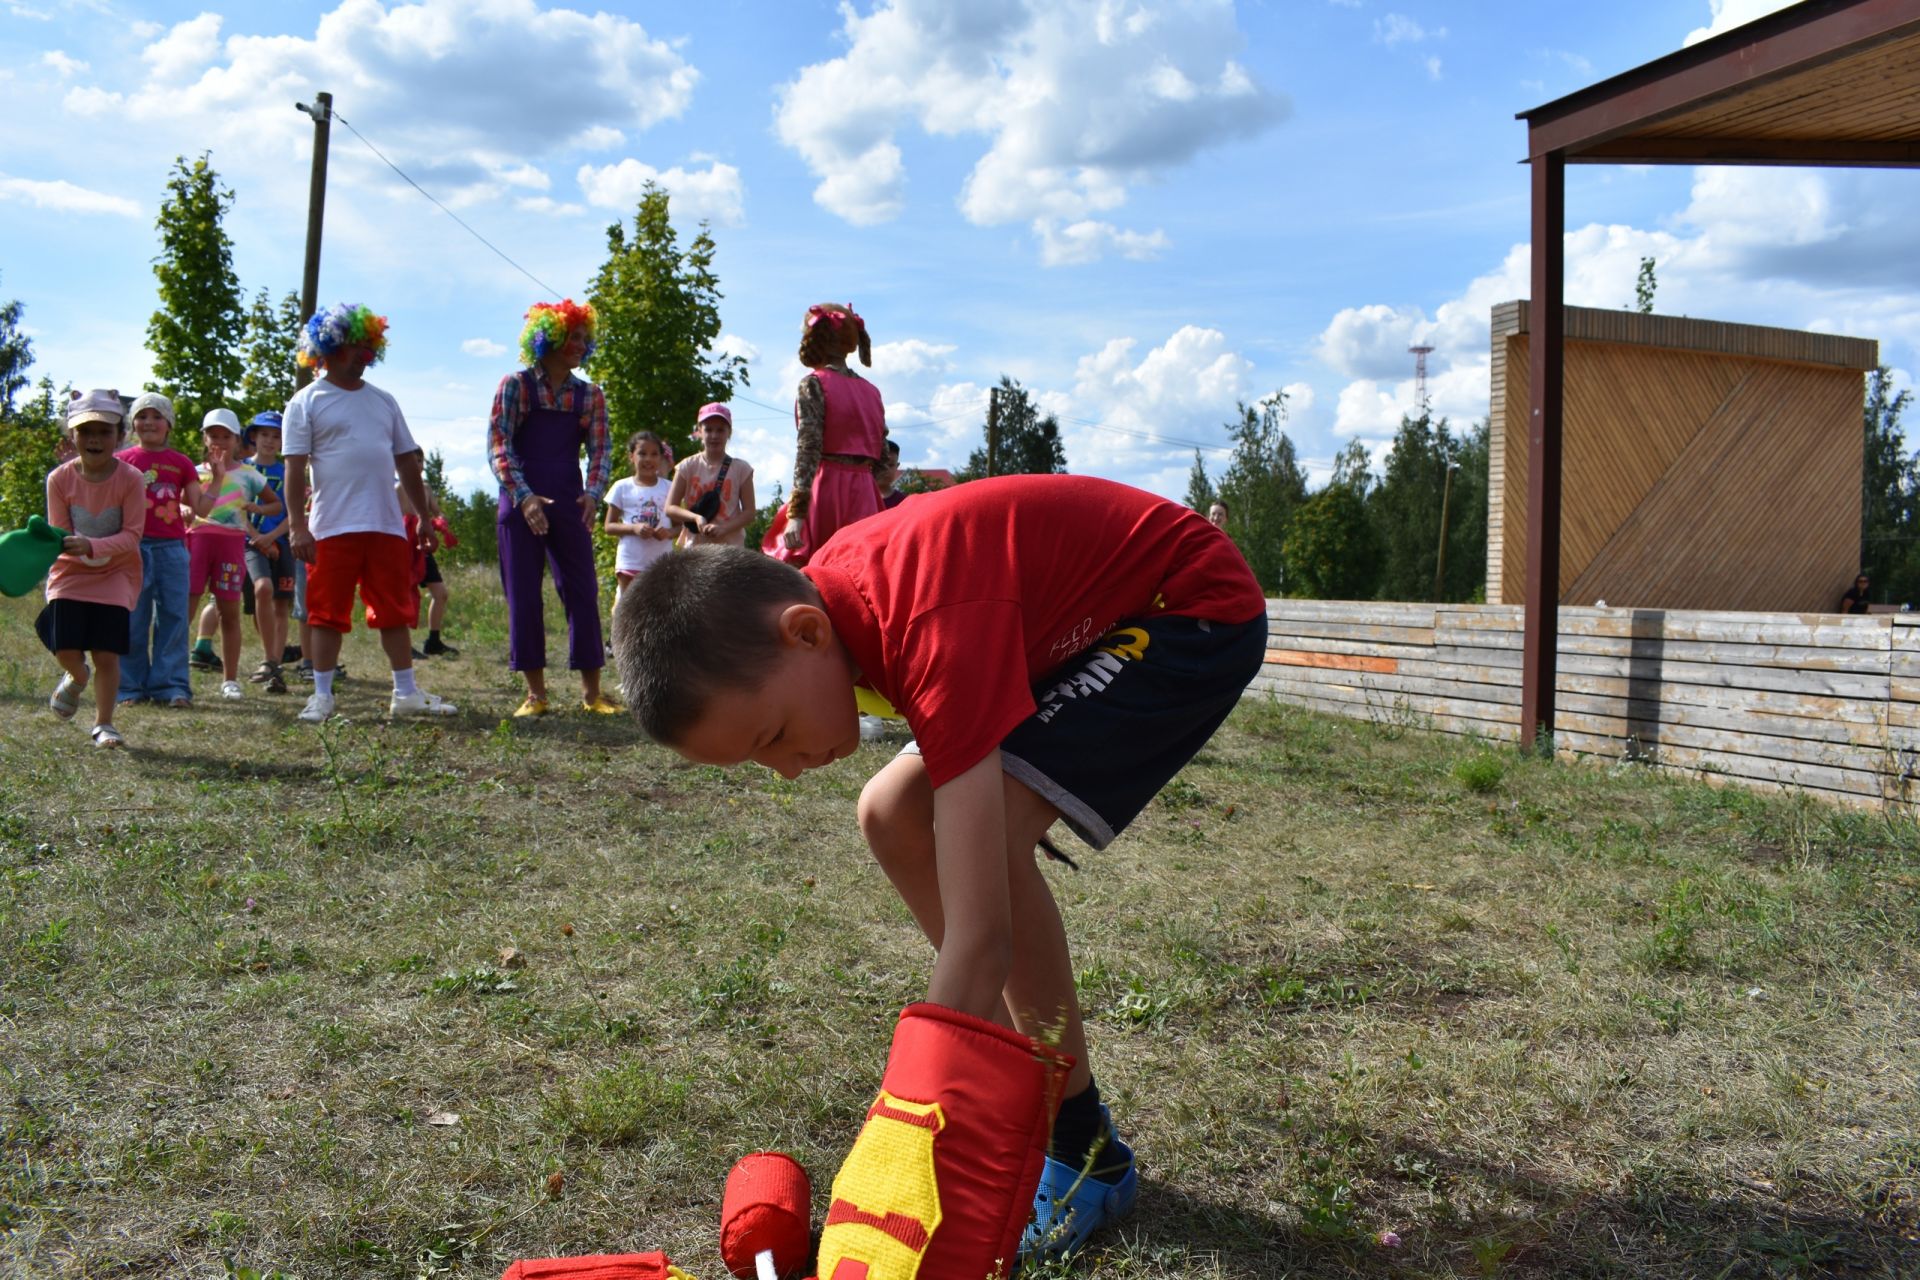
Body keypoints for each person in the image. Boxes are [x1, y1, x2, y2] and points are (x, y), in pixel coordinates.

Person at [612, 474, 1268, 1260]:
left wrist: (906, 1137)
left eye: (771, 737)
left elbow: (982, 938)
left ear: (806, 633)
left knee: (988, 846)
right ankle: (1026, 1108)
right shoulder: (843, 605)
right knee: (888, 812)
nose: (786, 772)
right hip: (1064, 622)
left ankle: (1068, 1139)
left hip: (1186, 608)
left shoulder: (926, 619)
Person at [283, 302, 457, 724]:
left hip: (384, 526)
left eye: (369, 346)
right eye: (355, 346)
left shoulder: (384, 402)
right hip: (330, 527)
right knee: (326, 613)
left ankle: (406, 692)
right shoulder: (305, 402)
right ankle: (322, 696)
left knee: (395, 609)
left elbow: (407, 464)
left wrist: (422, 518)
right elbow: (293, 468)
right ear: (330, 346)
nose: (364, 355)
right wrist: (298, 527)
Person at [488, 299, 616, 717]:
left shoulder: (589, 395)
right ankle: (535, 695)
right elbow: (499, 446)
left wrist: (593, 494)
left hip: (568, 497)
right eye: (573, 337)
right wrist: (524, 497)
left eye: (584, 338)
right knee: (523, 593)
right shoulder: (516, 385)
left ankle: (592, 693)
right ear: (551, 337)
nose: (581, 345)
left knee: (582, 590)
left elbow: (601, 451)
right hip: (518, 497)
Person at [41, 390, 147, 748]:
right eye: (86, 432)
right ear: (73, 436)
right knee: (66, 649)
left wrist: (94, 545)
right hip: (70, 573)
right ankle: (76, 675)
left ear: (119, 436)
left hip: (117, 574)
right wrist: (73, 546)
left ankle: (104, 724)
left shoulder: (132, 479)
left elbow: (132, 536)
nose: (94, 440)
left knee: (106, 653)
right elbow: (60, 534)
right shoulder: (59, 479)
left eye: (104, 432)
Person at [768, 303, 884, 566]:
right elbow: (882, 452)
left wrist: (796, 514)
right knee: (858, 571)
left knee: (816, 571)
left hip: (827, 490)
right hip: (866, 490)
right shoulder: (871, 391)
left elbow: (808, 448)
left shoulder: (814, 384)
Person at [187, 408, 280, 702]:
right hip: (197, 543)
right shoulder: (194, 471)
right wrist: (183, 510)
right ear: (204, 438)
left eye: (226, 436)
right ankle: (175, 675)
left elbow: (275, 504)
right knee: (184, 611)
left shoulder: (249, 474)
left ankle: (230, 680)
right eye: (213, 435)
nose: (219, 441)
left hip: (231, 546)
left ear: (237, 439)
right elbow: (180, 503)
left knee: (229, 612)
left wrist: (259, 510)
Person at [115, 391, 200, 708]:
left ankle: (171, 686)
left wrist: (217, 479)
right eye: (142, 416)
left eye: (156, 416)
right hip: (132, 546)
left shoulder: (181, 463)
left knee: (174, 616)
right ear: (132, 424)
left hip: (172, 548)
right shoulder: (121, 461)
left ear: (169, 424)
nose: (149, 422)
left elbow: (199, 503)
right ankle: (129, 687)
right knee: (132, 617)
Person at [242, 411, 294, 695]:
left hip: (283, 543)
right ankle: (269, 657)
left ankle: (273, 662)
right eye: (264, 435)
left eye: (276, 436)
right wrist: (258, 539)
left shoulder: (289, 472)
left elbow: (294, 512)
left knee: (281, 603)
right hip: (250, 544)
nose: (270, 441)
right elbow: (236, 509)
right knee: (262, 590)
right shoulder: (241, 469)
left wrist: (272, 537)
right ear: (253, 437)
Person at [666, 403, 755, 549]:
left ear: (729, 432)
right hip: (695, 547)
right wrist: (696, 518)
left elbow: (750, 513)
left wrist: (724, 528)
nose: (714, 436)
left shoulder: (742, 469)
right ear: (699, 431)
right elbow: (670, 508)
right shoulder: (687, 466)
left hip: (731, 548)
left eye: (720, 430)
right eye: (708, 429)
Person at [605, 431, 674, 604]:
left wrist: (668, 532)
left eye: (654, 454)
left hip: (661, 564)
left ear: (660, 458)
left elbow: (680, 526)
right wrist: (634, 528)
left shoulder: (670, 488)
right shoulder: (621, 487)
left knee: (659, 611)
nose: (648, 459)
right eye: (642, 453)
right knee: (628, 610)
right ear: (631, 457)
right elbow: (609, 526)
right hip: (630, 562)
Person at [877, 437, 906, 510]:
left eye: (891, 465)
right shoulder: (861, 499)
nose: (886, 469)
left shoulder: (903, 502)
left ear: (897, 466)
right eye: (881, 464)